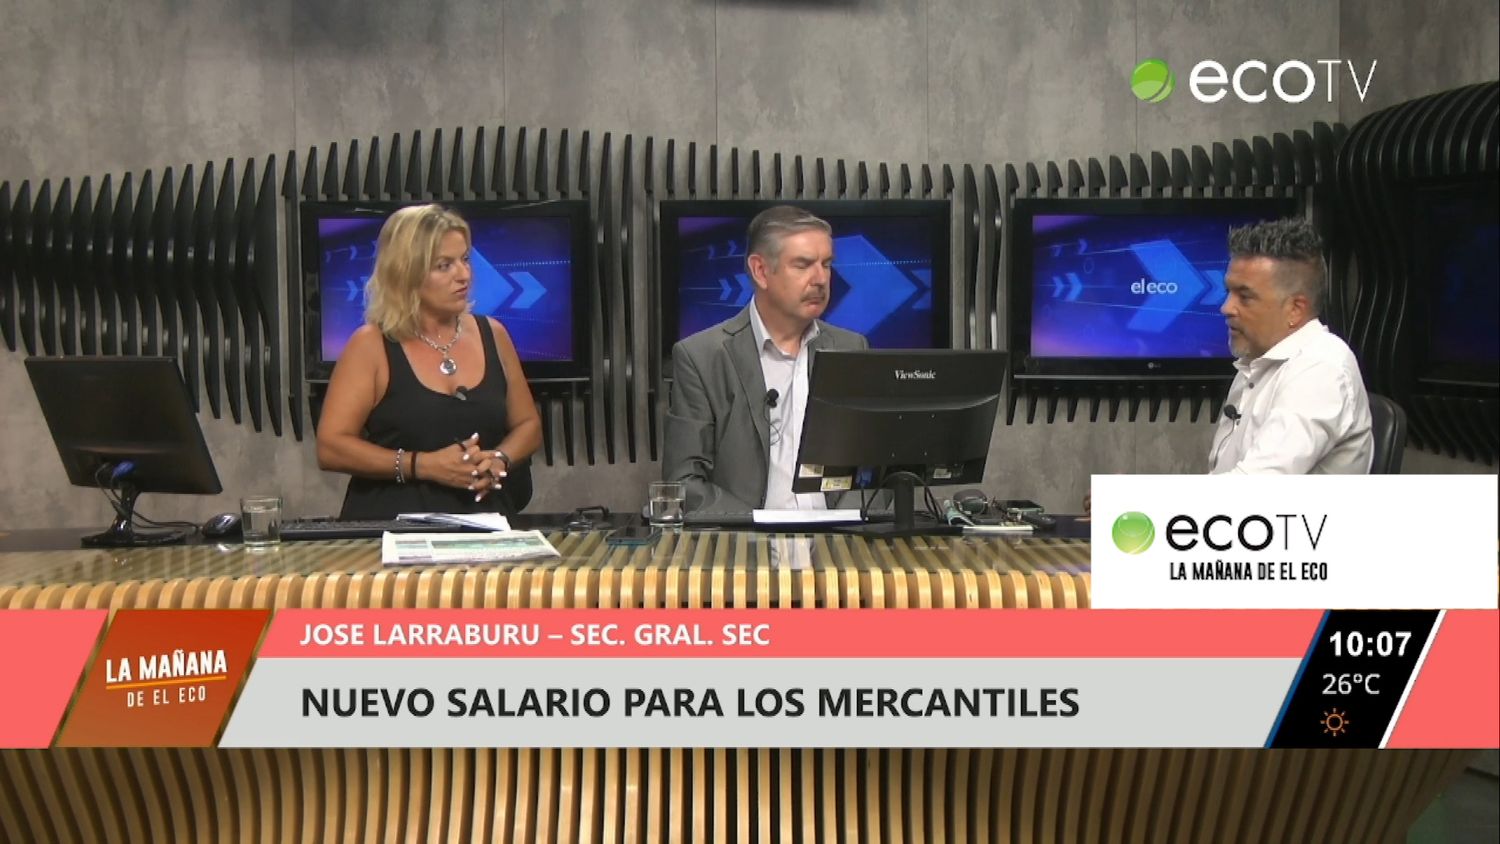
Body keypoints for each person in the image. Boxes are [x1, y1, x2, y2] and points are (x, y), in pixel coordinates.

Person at [316, 204, 543, 518]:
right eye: (444, 265)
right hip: (391, 527)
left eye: (465, 259)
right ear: (406, 273)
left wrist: (500, 459)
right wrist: (422, 465)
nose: (464, 275)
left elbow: (528, 425)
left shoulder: (494, 333)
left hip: (485, 524)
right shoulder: (370, 345)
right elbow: (331, 448)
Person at [663, 205, 869, 512]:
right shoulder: (702, 357)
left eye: (826, 264)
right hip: (746, 537)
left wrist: (844, 523)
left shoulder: (850, 348)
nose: (821, 279)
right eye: (803, 265)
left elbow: (872, 470)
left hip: (838, 535)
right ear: (760, 271)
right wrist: (758, 526)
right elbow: (684, 483)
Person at [1209, 217, 1373, 474]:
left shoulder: (1321, 369)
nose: (1226, 307)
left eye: (1245, 296)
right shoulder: (1256, 362)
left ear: (1295, 309)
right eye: (1228, 292)